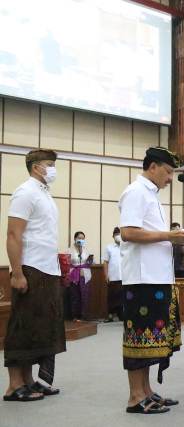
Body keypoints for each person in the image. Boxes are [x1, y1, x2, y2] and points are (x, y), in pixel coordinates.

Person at [118, 147, 184, 414]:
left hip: (156, 277)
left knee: (151, 339)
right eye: (167, 172)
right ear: (153, 167)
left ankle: (147, 392)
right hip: (142, 279)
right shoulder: (136, 192)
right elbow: (128, 233)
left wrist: (175, 235)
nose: (170, 178)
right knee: (139, 338)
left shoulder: (150, 195)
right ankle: (135, 397)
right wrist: (169, 236)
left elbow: (152, 233)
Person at [4, 149, 65, 402]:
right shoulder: (25, 192)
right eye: (50, 164)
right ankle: (14, 385)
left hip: (48, 269)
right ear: (36, 167)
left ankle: (29, 382)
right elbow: (13, 235)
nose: (53, 169)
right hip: (29, 268)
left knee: (39, 327)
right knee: (23, 325)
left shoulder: (44, 193)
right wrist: (17, 272)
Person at [67, 231, 93, 321]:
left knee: (84, 294)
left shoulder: (86, 249)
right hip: (74, 274)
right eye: (79, 238)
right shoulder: (69, 250)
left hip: (84, 274)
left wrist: (87, 264)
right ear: (75, 239)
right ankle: (75, 316)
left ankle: (84, 316)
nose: (81, 240)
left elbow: (89, 261)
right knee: (75, 295)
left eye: (83, 238)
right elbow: (68, 263)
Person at [103, 227, 123, 322]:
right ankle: (110, 315)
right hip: (113, 276)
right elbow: (105, 262)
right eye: (116, 234)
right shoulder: (109, 247)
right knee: (112, 297)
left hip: (124, 277)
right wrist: (106, 275)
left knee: (122, 297)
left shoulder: (126, 246)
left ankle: (121, 315)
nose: (117, 236)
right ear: (113, 236)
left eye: (119, 234)